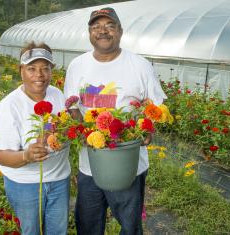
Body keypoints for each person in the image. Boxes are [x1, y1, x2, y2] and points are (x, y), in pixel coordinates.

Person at [64, 7, 167, 235]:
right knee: (88, 225)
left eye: (109, 26)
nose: (103, 31)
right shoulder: (77, 66)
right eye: (96, 27)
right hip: (90, 164)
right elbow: (72, 106)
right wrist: (83, 129)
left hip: (129, 164)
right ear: (90, 32)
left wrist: (148, 128)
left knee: (130, 227)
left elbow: (155, 106)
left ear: (120, 31)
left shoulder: (139, 65)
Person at [0, 42, 71, 235]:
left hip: (59, 180)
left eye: (45, 68)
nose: (39, 74)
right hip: (25, 185)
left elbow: (63, 128)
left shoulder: (57, 95)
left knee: (58, 231)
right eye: (32, 68)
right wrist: (27, 155)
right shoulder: (9, 106)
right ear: (21, 71)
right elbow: (2, 156)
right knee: (31, 232)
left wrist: (63, 135)